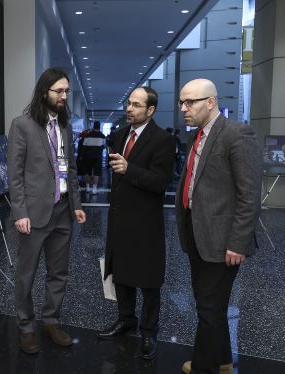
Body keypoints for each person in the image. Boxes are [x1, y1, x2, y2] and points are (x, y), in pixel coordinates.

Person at [175, 79, 262, 374]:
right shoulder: (195, 136)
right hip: (197, 235)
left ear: (210, 102)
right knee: (210, 303)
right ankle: (223, 361)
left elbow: (249, 195)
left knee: (209, 309)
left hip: (224, 241)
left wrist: (238, 242)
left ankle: (204, 367)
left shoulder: (237, 134)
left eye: (190, 103)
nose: (184, 109)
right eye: (181, 103)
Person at [8, 67, 86, 354]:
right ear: (45, 93)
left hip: (62, 211)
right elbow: (14, 174)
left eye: (67, 91)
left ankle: (51, 320)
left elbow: (69, 170)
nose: (65, 96)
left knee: (59, 273)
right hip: (34, 214)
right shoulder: (23, 125)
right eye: (59, 91)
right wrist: (20, 213)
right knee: (26, 274)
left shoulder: (64, 126)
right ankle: (26, 327)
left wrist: (76, 205)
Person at [98, 87, 174, 361]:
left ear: (150, 110)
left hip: (145, 222)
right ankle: (125, 320)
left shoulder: (162, 140)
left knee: (149, 281)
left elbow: (160, 182)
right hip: (119, 219)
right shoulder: (119, 136)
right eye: (128, 103)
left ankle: (148, 332)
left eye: (136, 105)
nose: (129, 109)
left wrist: (130, 170)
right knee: (122, 274)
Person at [79, 120, 106, 194]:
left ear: (93, 126)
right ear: (99, 127)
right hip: (98, 157)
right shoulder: (102, 136)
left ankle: (87, 188)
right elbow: (103, 146)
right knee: (96, 173)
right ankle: (94, 189)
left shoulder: (87, 135)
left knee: (87, 172)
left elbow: (84, 146)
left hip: (87, 157)